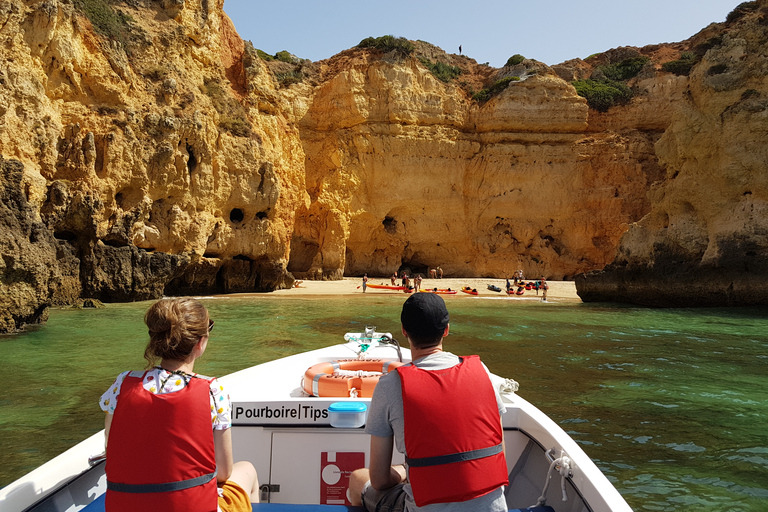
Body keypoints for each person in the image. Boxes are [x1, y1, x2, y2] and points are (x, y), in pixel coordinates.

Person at [349, 293, 508, 511]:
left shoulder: (390, 385)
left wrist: (406, 472)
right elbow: (499, 452)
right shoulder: (483, 373)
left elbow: (379, 480)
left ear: (404, 331)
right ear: (446, 330)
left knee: (358, 479)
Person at [100, 298, 260, 512]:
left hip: (127, 507)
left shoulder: (123, 383)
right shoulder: (212, 390)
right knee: (247, 470)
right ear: (200, 343)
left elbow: (112, 446)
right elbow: (223, 472)